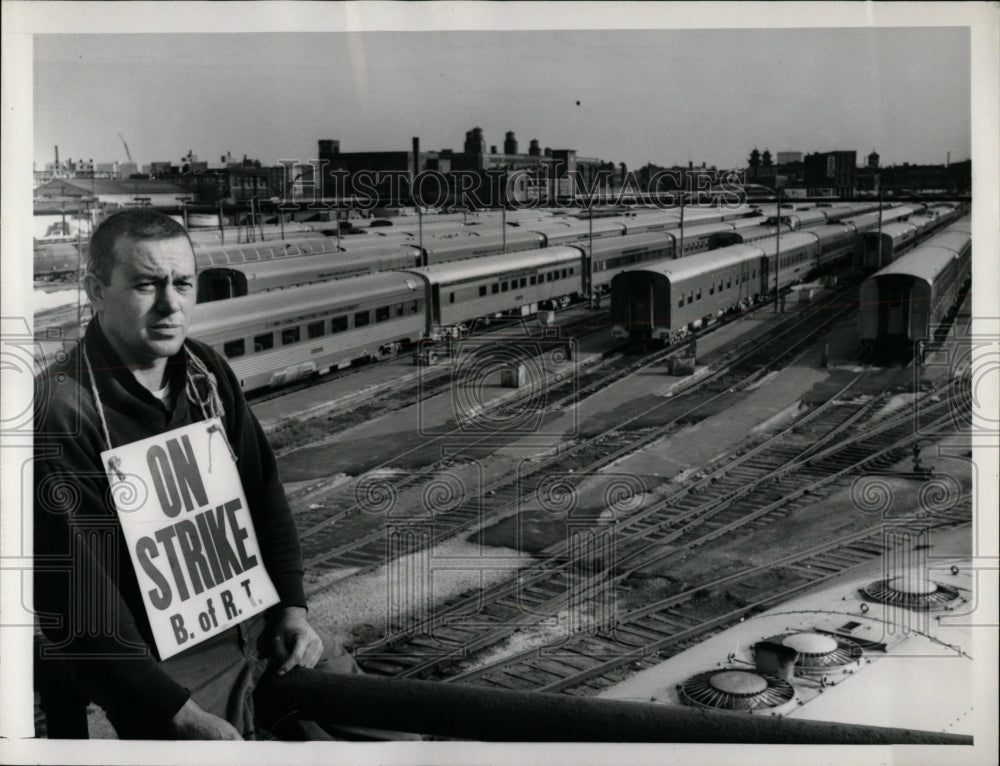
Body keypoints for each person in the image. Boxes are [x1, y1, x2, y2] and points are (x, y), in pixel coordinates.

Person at [33, 209, 413, 740]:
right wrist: (177, 714)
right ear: (96, 290)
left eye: (183, 284)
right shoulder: (64, 413)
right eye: (146, 284)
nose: (171, 305)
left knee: (395, 738)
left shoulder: (204, 372)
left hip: (259, 626)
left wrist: (293, 609)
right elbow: (82, 607)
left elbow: (263, 494)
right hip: (172, 668)